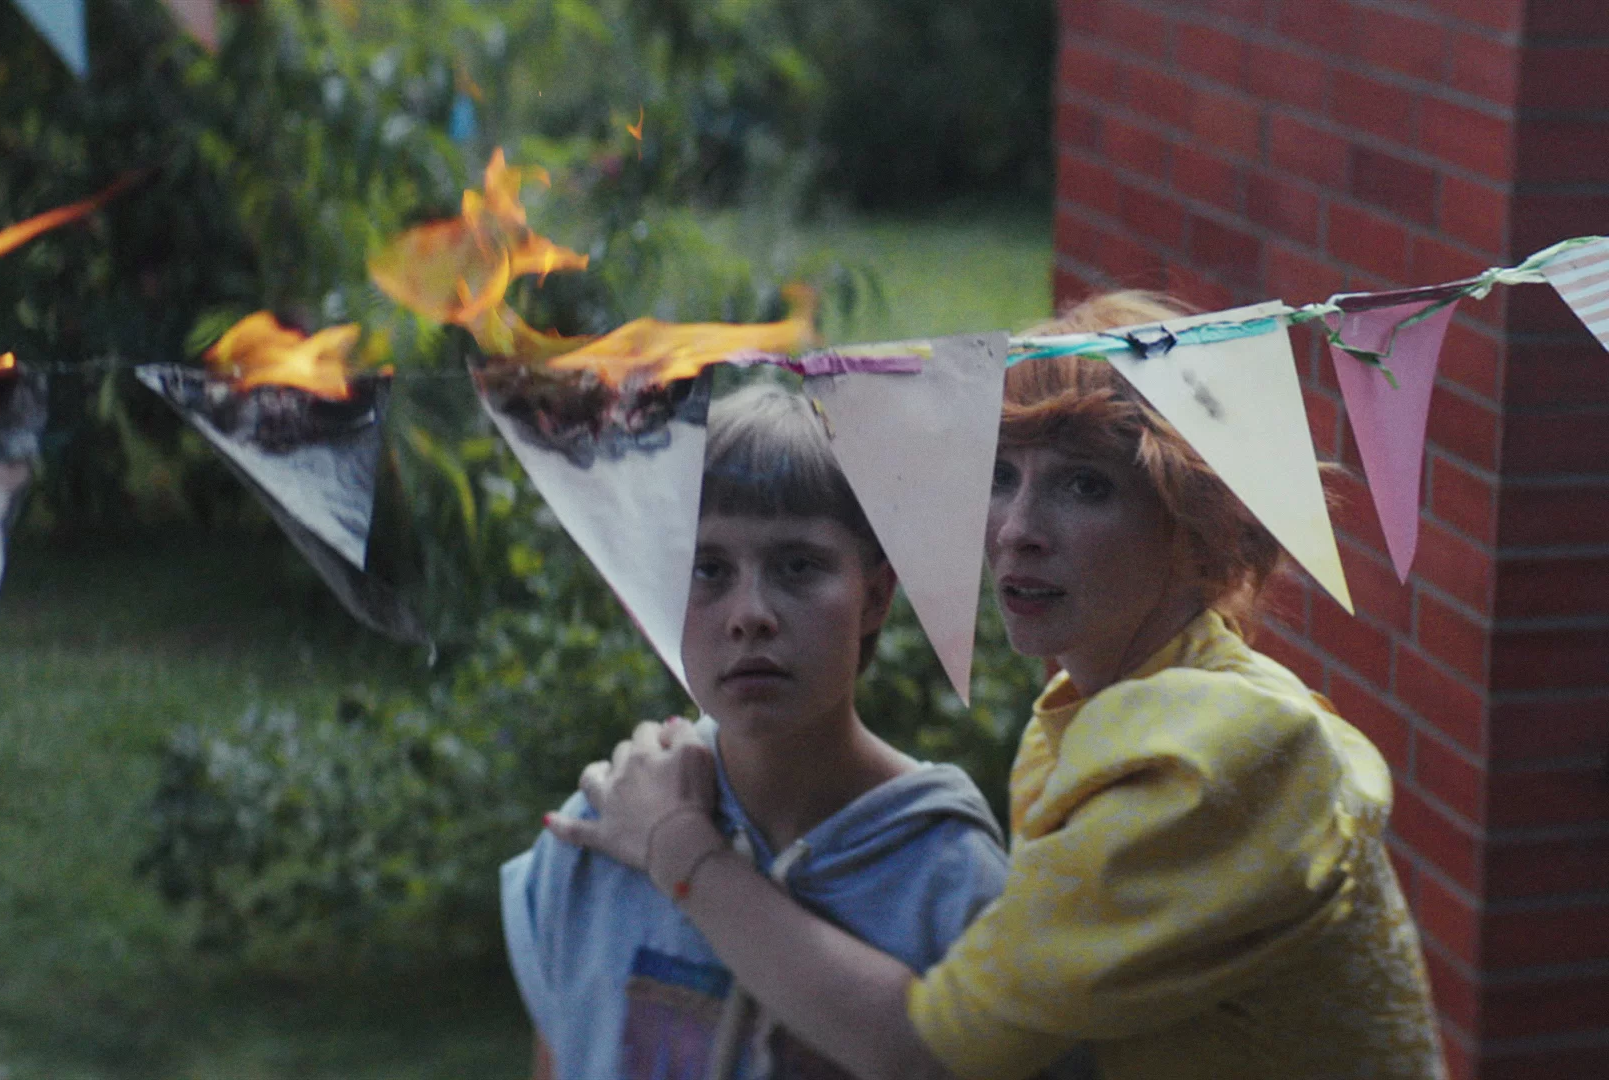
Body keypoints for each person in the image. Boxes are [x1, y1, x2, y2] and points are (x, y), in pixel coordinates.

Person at [548, 292, 1448, 1080]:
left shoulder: (1210, 753)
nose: (1017, 529)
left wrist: (681, 849)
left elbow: (929, 1056)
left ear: (1198, 523)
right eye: (1003, 476)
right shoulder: (1113, 710)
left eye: (1084, 487)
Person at [502, 382, 1012, 1080]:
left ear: (876, 595)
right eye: (707, 569)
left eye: (798, 566)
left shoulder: (949, 877)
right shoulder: (600, 833)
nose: (750, 614)